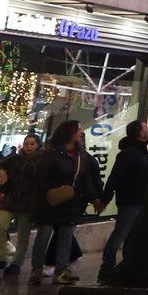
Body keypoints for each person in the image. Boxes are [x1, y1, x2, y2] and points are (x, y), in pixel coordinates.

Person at [32, 120, 103, 285]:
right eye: (78, 130)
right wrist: (52, 191)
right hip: (49, 201)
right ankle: (37, 270)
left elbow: (86, 179)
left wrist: (95, 199)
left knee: (66, 236)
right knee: (44, 235)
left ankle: (61, 271)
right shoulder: (51, 154)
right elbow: (39, 177)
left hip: (70, 202)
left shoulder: (80, 155)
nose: (81, 132)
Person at [99, 120, 148, 282]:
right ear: (140, 133)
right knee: (121, 233)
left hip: (139, 199)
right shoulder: (128, 154)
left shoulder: (142, 153)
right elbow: (115, 177)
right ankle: (107, 266)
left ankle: (127, 265)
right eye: (145, 127)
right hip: (130, 200)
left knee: (131, 234)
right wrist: (105, 198)